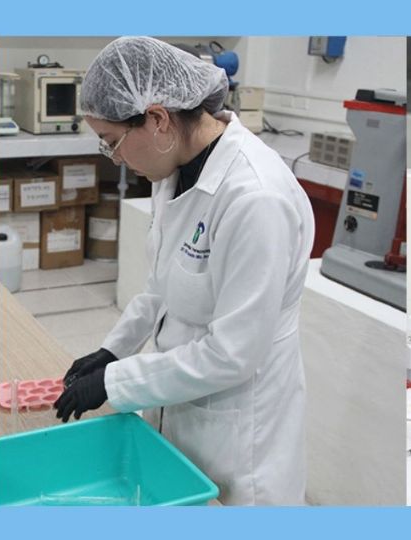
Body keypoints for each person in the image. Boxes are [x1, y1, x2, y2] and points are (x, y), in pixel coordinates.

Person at [52, 36, 315, 506]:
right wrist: (114, 350)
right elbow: (164, 285)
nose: (116, 158)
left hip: (241, 429)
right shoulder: (175, 168)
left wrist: (116, 383)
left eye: (113, 143)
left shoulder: (256, 199)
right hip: (181, 398)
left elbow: (233, 355)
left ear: (157, 119)